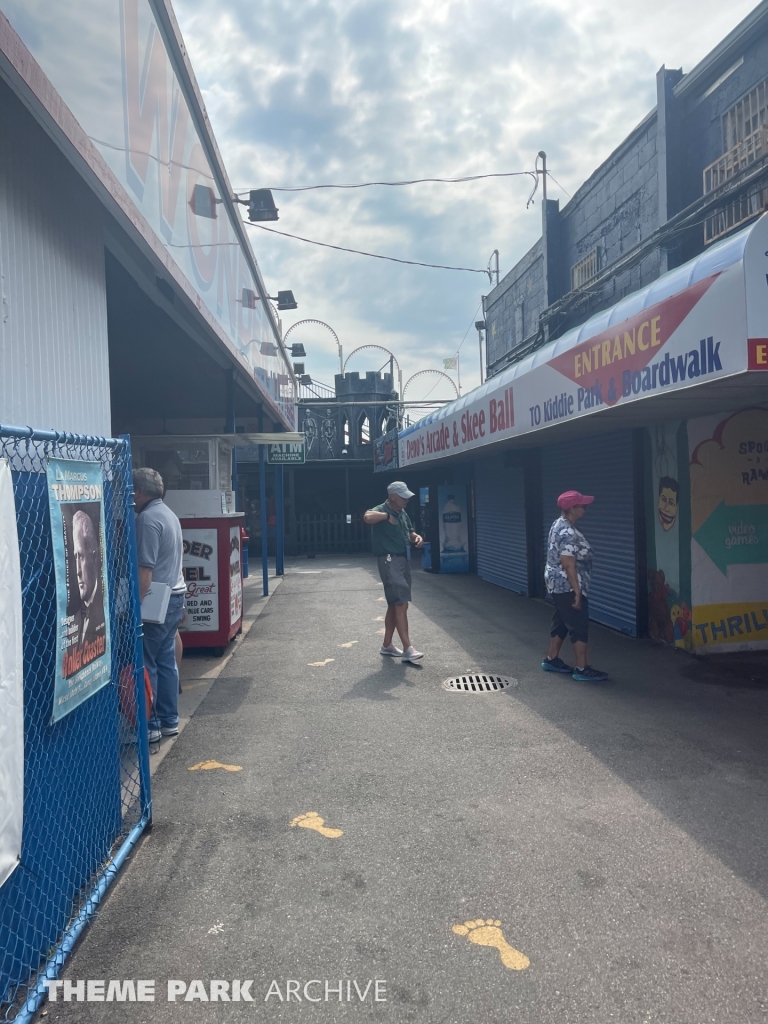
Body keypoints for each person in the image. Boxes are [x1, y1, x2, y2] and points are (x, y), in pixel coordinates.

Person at [133, 467, 186, 744]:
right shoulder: (170, 515)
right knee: (166, 663)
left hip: (155, 602)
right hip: (175, 596)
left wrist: (134, 605)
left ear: (138, 492)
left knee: (147, 661)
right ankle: (170, 720)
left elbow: (145, 571)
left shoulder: (147, 519)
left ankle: (150, 725)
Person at [541, 490, 608, 682]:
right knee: (578, 625)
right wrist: (577, 591)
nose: (585, 508)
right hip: (567, 585)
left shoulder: (559, 523)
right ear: (572, 509)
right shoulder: (567, 532)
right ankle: (581, 668)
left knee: (562, 620)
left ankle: (551, 659)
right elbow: (567, 562)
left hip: (557, 583)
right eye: (582, 505)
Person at [364, 481, 424, 663]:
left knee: (394, 603)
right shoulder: (382, 509)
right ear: (392, 497)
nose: (407, 499)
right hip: (389, 560)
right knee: (401, 603)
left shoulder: (402, 513)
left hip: (402, 560)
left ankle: (387, 645)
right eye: (403, 496)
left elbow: (409, 532)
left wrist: (417, 537)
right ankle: (408, 648)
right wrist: (385, 517)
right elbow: (367, 517)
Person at [70, 509, 105, 647]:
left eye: (82, 556)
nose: (78, 571)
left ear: (94, 557)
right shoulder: (76, 618)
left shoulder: (102, 606)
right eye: (75, 557)